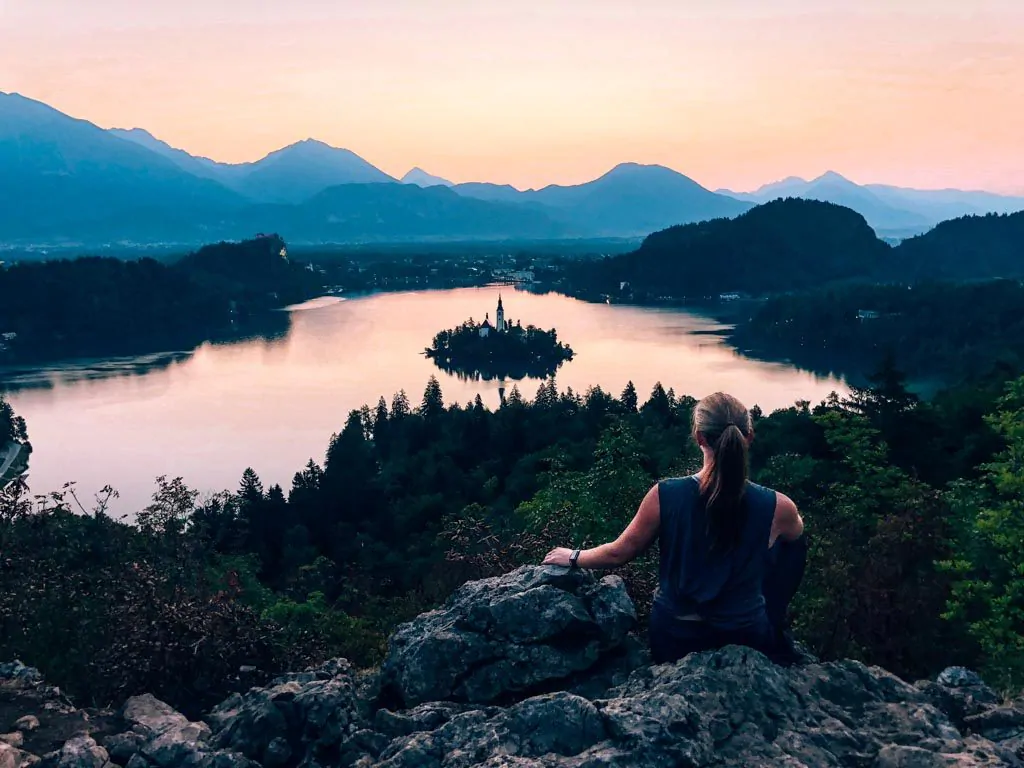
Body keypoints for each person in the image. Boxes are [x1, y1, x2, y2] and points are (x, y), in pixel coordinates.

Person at [542, 391, 806, 664]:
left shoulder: (665, 495)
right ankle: (771, 621)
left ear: (699, 437)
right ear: (748, 437)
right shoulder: (778, 506)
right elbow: (795, 545)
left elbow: (619, 553)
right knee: (789, 545)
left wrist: (573, 557)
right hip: (745, 633)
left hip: (677, 635)